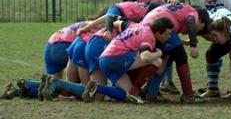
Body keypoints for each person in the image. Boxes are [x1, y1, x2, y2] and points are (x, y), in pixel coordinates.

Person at [40, 17, 174, 104]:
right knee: (155, 61)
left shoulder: (135, 25)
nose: (169, 37)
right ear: (158, 32)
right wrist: (160, 52)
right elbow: (145, 57)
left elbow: (116, 21)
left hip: (104, 56)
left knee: (125, 94)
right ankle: (140, 89)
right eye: (167, 34)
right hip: (110, 55)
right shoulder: (149, 37)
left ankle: (42, 85)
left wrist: (108, 30)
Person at [141, 3, 210, 103]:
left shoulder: (181, 9)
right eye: (200, 28)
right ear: (200, 20)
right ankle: (188, 95)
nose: (197, 31)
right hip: (159, 24)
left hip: (148, 26)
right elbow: (190, 21)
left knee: (165, 60)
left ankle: (150, 92)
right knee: (180, 55)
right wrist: (193, 45)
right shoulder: (194, 12)